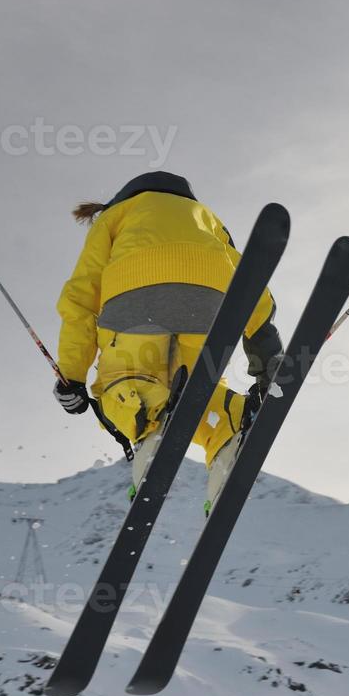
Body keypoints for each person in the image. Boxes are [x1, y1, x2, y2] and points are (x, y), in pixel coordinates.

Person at [53, 171, 283, 507]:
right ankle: (228, 433)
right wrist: (267, 362)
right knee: (200, 390)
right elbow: (248, 282)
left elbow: (81, 299)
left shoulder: (115, 216)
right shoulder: (207, 218)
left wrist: (71, 376)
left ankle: (150, 428)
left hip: (135, 299)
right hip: (210, 305)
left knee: (122, 382)